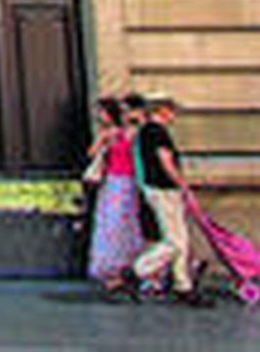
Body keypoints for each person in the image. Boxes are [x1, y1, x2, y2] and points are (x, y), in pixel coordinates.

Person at [125, 95, 207, 306]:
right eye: (172, 111)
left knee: (181, 239)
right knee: (174, 241)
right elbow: (166, 161)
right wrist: (182, 184)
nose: (173, 116)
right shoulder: (157, 132)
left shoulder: (144, 132)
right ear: (162, 111)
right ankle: (137, 271)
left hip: (156, 188)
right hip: (164, 190)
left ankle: (184, 286)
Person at [85, 97, 144, 293]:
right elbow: (92, 153)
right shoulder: (107, 134)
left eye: (102, 112)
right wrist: (102, 141)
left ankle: (127, 264)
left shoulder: (132, 132)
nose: (99, 116)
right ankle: (110, 264)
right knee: (110, 222)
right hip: (112, 180)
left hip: (128, 181)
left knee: (124, 222)